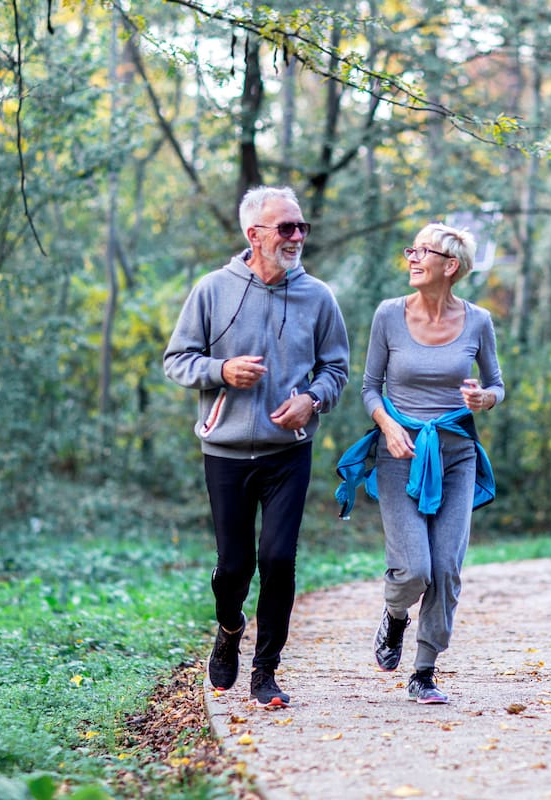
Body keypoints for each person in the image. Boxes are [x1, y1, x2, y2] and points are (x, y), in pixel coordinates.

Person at [163, 185, 349, 708]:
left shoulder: (318, 297)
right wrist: (221, 370)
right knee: (234, 567)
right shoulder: (212, 290)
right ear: (254, 234)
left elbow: (336, 369)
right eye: (286, 227)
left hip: (287, 450)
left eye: (301, 227)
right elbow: (177, 360)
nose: (297, 236)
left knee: (279, 558)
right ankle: (229, 628)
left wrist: (312, 399)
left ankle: (265, 671)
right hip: (225, 451)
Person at [346, 222, 504, 704]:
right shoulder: (388, 315)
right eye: (411, 250)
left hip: (456, 457)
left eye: (423, 252)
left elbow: (496, 385)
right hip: (400, 455)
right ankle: (395, 617)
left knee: (446, 567)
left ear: (450, 266)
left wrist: (484, 399)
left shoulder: (478, 321)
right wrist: (388, 426)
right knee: (415, 569)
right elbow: (369, 388)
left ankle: (424, 670)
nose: (412, 258)